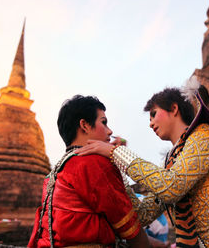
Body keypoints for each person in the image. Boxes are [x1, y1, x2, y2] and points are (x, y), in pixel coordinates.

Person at [76, 79, 209, 248]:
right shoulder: (172, 160)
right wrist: (118, 165)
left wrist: (116, 152)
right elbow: (143, 214)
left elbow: (172, 186)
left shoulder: (204, 136)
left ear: (174, 109)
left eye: (153, 114)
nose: (150, 123)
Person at [28, 95, 150, 248]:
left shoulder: (55, 172)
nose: (110, 131)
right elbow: (129, 228)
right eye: (104, 123)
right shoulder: (93, 163)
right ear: (84, 125)